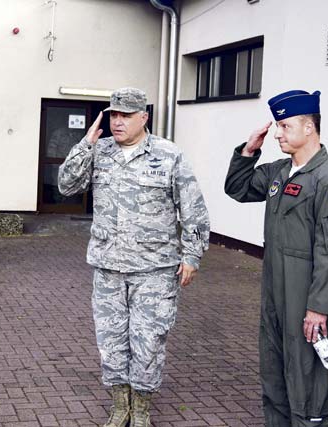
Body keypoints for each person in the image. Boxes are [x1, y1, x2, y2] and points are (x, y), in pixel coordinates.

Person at [58, 87, 210, 427]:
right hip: (108, 267)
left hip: (154, 270)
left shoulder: (168, 155)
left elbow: (194, 210)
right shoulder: (100, 151)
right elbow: (66, 186)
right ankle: (119, 407)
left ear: (144, 117)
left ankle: (141, 409)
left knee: (149, 341)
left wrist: (192, 255)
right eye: (113, 114)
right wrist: (85, 145)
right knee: (111, 342)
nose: (117, 121)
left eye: (125, 115)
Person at [224, 90, 328, 426]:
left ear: (309, 127)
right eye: (277, 126)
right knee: (274, 375)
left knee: (306, 382)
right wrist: (248, 150)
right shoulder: (279, 172)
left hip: (306, 299)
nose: (278, 134)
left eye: (285, 126)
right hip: (274, 294)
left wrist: (319, 307)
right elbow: (238, 188)